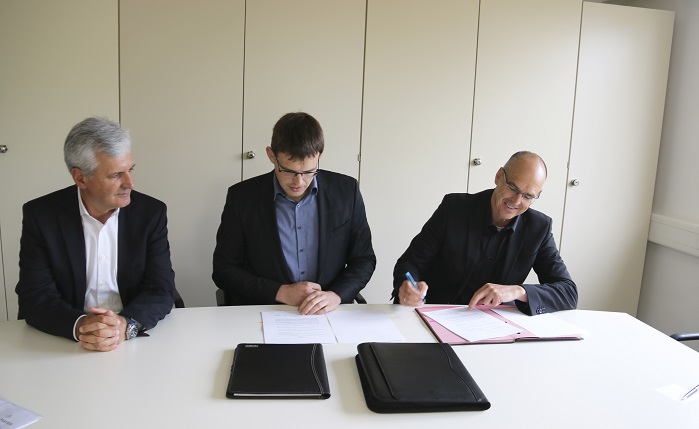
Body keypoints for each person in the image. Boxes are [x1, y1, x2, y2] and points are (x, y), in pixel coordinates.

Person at [16, 117, 176, 352]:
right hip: (65, 341)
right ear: (80, 178)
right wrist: (80, 325)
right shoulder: (41, 216)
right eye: (115, 175)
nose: (129, 183)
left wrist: (124, 325)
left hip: (132, 337)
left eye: (130, 170)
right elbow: (35, 295)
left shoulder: (151, 213)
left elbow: (161, 288)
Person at [213, 112, 376, 314]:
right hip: (264, 310)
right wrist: (280, 292)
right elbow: (223, 269)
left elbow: (364, 259)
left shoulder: (346, 191)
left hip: (329, 312)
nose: (299, 182)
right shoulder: (242, 197)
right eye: (288, 171)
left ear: (319, 155)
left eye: (309, 172)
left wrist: (336, 295)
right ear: (271, 156)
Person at [393, 151, 577, 315]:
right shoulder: (454, 208)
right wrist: (407, 287)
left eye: (528, 196)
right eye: (513, 188)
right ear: (498, 176)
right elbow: (411, 262)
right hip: (433, 315)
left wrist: (519, 291)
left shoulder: (539, 228)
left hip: (491, 328)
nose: (516, 200)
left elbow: (568, 292)